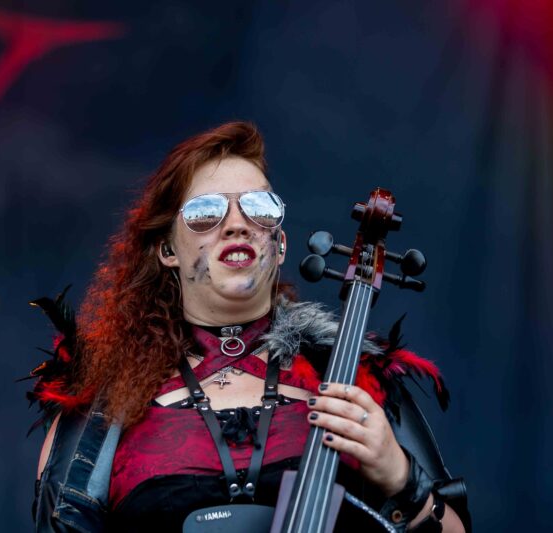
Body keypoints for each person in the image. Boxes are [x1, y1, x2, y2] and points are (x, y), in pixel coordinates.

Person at [27, 122, 470, 532]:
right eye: (206, 212)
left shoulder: (356, 383)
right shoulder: (102, 406)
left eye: (259, 208)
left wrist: (403, 479)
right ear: (167, 249)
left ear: (279, 244)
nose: (237, 224)